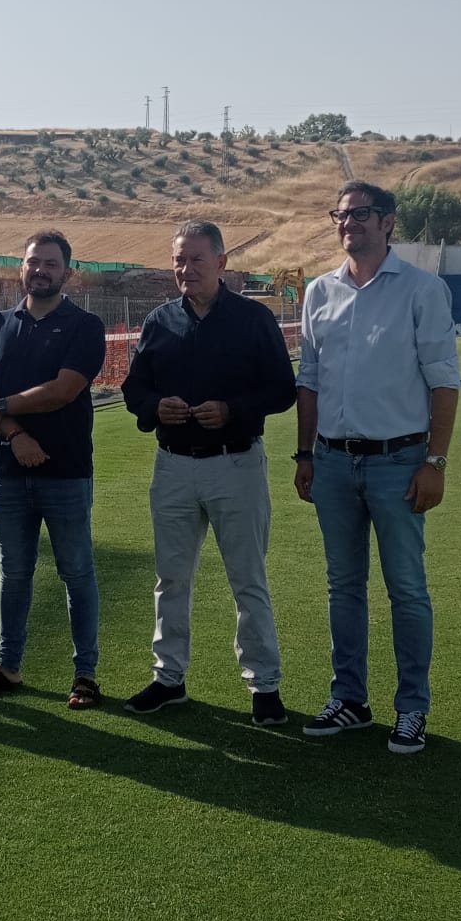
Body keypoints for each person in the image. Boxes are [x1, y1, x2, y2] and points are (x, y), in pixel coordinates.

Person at [293, 180, 461, 754]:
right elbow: (309, 381)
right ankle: (350, 699)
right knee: (344, 587)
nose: (349, 224)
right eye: (341, 215)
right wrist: (305, 453)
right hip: (335, 463)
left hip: (399, 461)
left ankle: (412, 707)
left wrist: (435, 461)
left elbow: (444, 379)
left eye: (361, 214)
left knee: (407, 589)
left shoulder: (421, 289)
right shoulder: (318, 291)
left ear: (389, 221)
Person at [121, 220, 297, 724]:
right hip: (174, 466)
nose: (185, 268)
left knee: (248, 580)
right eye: (179, 259)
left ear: (222, 263)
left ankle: (264, 685)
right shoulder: (159, 322)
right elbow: (136, 391)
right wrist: (157, 407)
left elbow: (282, 389)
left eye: (196, 259)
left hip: (235, 462)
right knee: (171, 579)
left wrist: (233, 410)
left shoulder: (253, 320)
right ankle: (168, 677)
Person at [0, 230, 109, 708]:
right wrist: (16, 435)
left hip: (65, 472)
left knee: (77, 573)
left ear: (67, 271)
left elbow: (62, 390)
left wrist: (2, 409)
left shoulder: (85, 326)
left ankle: (85, 674)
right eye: (33, 262)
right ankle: (8, 667)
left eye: (50, 263)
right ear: (21, 268)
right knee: (15, 573)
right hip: (9, 473)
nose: (40, 270)